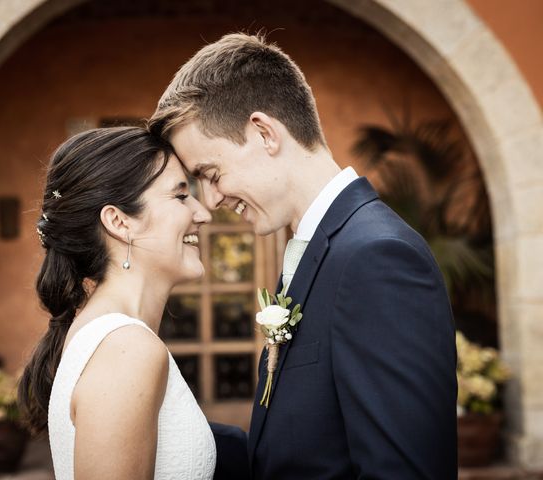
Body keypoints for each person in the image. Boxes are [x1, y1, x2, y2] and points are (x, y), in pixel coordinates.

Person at [150, 33, 458, 479]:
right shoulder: (321, 247)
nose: (212, 199)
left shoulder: (378, 259)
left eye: (211, 174)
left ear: (264, 133)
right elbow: (306, 440)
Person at [17, 127, 216, 479]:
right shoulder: (127, 349)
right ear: (119, 221)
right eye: (181, 196)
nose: (203, 214)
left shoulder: (110, 336)